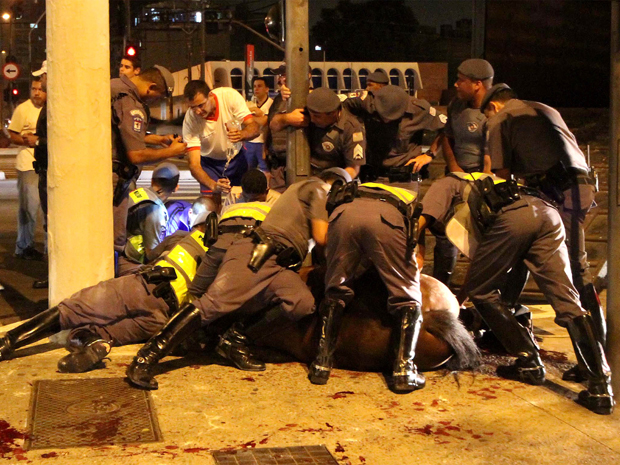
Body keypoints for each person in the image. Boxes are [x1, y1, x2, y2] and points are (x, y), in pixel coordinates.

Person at [418, 172, 614, 415]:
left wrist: (414, 245)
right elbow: (496, 270)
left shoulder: (446, 183)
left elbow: (424, 218)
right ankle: (601, 388)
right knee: (567, 300)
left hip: (514, 217)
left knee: (482, 291)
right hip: (547, 214)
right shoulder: (486, 182)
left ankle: (529, 362)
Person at [126, 170, 337, 390]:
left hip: (279, 263)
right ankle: (146, 358)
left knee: (301, 303)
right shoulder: (318, 189)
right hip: (257, 253)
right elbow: (323, 238)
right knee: (211, 305)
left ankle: (235, 340)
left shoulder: (299, 190)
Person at [482, 84, 604, 382]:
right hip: (580, 186)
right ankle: (594, 358)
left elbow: (500, 175)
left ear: (493, 107)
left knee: (576, 272)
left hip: (558, 192)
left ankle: (597, 367)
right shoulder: (543, 107)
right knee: (553, 263)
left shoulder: (502, 118)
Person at [0, 213, 211, 373]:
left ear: (199, 226)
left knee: (74, 308)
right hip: (163, 320)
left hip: (146, 288)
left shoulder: (184, 237)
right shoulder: (221, 261)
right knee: (94, 332)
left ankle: (8, 342)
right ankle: (94, 343)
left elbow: (149, 257)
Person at [308, 178, 425, 393]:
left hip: (342, 216)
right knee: (408, 295)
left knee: (335, 289)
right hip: (386, 218)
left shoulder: (357, 189)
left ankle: (321, 365)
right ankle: (404, 371)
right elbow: (416, 261)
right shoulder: (411, 199)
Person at [111, 66, 187, 257]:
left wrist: (159, 140)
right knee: (114, 241)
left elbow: (124, 133)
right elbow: (136, 155)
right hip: (112, 178)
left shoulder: (114, 86)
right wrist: (171, 151)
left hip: (98, 172)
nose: (156, 101)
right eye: (158, 97)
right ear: (151, 87)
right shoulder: (130, 102)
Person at [431, 58, 494, 286]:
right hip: (456, 177)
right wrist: (455, 168)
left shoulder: (493, 111)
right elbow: (447, 137)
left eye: (461, 80)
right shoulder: (456, 105)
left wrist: (483, 179)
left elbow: (493, 153)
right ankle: (441, 286)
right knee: (443, 232)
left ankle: (474, 293)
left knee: (478, 241)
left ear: (477, 84)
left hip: (481, 181)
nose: (456, 85)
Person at [343, 85, 445, 190]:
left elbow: (447, 127)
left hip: (403, 178)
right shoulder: (367, 102)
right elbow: (339, 106)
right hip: (370, 176)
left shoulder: (419, 109)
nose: (386, 121)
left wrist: (430, 154)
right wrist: (353, 129)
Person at [182, 80, 260, 211]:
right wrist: (213, 186)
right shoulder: (190, 120)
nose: (197, 112)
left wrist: (242, 134)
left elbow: (254, 127)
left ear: (211, 95)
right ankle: (213, 228)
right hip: (209, 162)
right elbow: (194, 164)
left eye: (201, 105)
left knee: (243, 202)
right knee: (209, 206)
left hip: (236, 158)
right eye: (192, 107)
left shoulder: (229, 97)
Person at [270, 87, 366, 180]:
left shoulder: (351, 128)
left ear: (333, 113)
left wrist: (332, 184)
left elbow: (353, 169)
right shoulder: (312, 109)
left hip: (331, 176)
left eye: (317, 116)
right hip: (300, 172)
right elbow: (273, 125)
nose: (311, 119)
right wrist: (286, 119)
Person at [8, 77, 46, 261]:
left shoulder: (50, 108)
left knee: (49, 210)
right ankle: (23, 246)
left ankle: (49, 248)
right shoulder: (23, 109)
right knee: (29, 208)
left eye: (39, 89)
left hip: (46, 164)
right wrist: (27, 140)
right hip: (27, 164)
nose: (36, 92)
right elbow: (12, 134)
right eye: (33, 89)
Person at [119, 163, 180, 275]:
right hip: (129, 263)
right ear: (176, 187)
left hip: (118, 252)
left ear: (152, 181)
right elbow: (151, 253)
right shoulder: (155, 210)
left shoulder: (139, 193)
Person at [265, 64, 292, 192]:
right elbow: (269, 126)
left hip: (298, 164)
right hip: (277, 165)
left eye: (285, 75)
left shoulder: (311, 97)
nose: (282, 79)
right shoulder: (277, 99)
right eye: (281, 76)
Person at [243, 77, 273, 173]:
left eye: (259, 86)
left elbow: (264, 122)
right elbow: (241, 119)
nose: (256, 89)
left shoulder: (271, 104)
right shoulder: (250, 104)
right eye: (254, 86)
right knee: (247, 170)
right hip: (249, 142)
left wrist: (250, 117)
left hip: (263, 143)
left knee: (266, 170)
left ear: (267, 89)